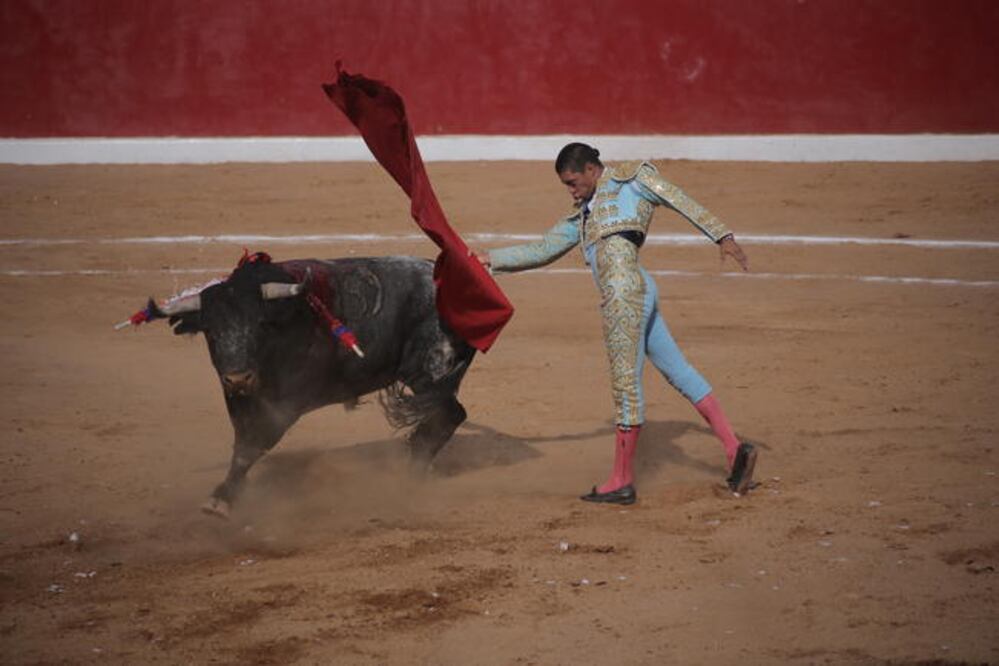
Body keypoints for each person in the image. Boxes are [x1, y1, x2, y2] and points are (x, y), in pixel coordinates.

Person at [477, 143, 756, 505]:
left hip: (624, 295)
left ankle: (621, 480)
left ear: (592, 169)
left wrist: (723, 235)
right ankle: (735, 450)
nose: (571, 190)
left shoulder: (631, 180)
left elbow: (677, 197)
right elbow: (541, 250)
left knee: (626, 385)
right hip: (641, 288)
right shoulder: (583, 217)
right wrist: (489, 259)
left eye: (574, 182)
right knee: (679, 371)